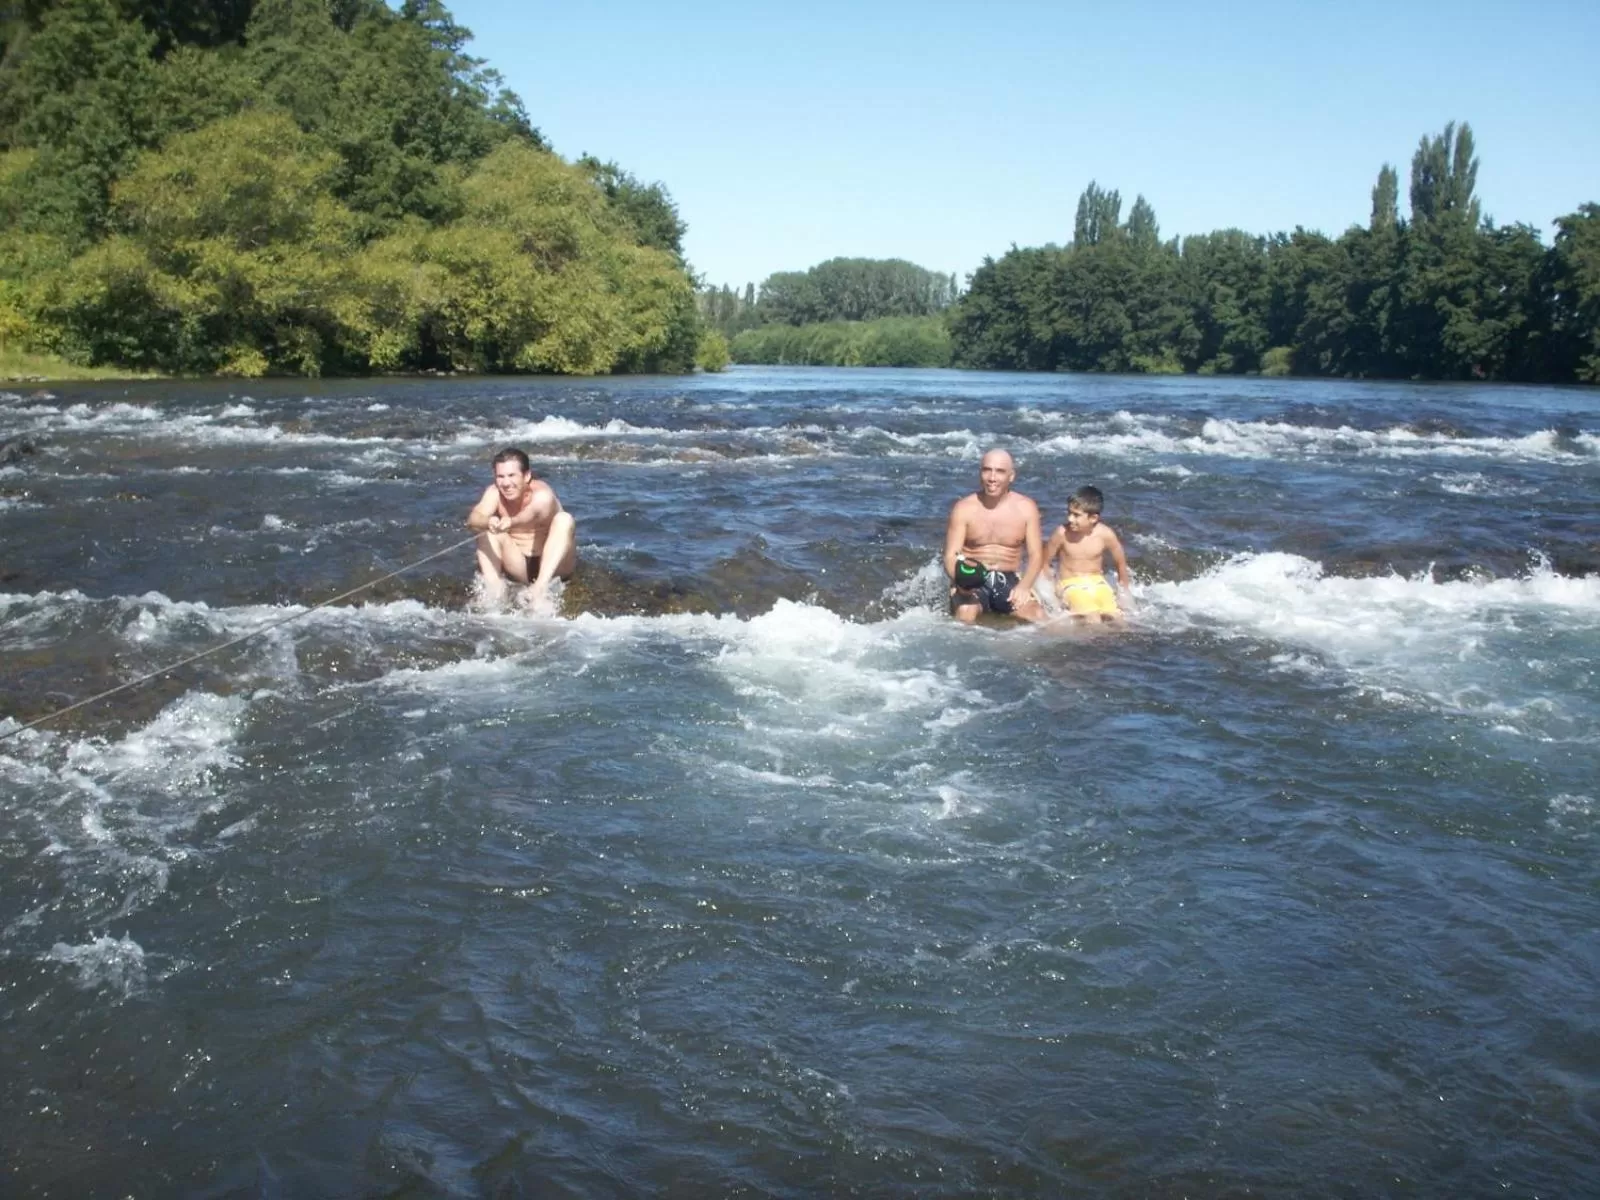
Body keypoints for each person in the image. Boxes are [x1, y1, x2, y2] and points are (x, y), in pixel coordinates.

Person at [943, 447, 1045, 623]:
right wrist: (961, 583)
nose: (992, 478)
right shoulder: (964, 508)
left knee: (1038, 617)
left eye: (1000, 472)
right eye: (987, 470)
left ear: (1011, 476)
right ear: (980, 473)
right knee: (965, 614)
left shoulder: (1026, 508)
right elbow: (951, 555)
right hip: (972, 578)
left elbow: (1036, 555)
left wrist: (1024, 586)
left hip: (1008, 578)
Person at [467, 447, 576, 607]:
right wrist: (487, 521)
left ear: (526, 476)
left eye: (512, 476)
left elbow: (534, 512)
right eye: (500, 476)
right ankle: (494, 592)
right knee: (485, 531)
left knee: (564, 520)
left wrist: (511, 521)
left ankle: (540, 588)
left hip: (554, 566)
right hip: (519, 564)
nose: (506, 483)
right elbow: (473, 519)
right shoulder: (494, 493)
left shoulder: (542, 493)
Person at [1042, 485, 1130, 621]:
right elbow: (1044, 563)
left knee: (1117, 617)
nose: (1070, 519)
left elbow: (1120, 563)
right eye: (1069, 513)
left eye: (1076, 515)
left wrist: (1123, 592)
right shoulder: (1061, 533)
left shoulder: (1106, 535)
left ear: (1093, 518)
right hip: (1071, 584)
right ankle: (1096, 642)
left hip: (1098, 583)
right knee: (1093, 617)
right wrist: (1052, 592)